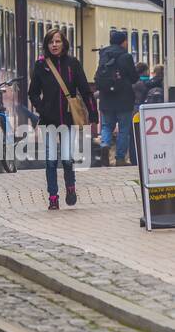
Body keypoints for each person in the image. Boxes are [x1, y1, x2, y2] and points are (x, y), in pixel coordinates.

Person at [29, 27, 97, 210]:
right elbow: (33, 93)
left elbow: (85, 90)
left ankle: (70, 187)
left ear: (64, 43)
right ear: (46, 45)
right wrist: (42, 108)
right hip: (48, 120)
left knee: (67, 158)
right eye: (51, 42)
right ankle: (53, 196)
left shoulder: (72, 64)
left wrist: (93, 114)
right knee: (51, 160)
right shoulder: (41, 66)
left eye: (57, 41)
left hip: (67, 119)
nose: (54, 45)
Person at [94, 29, 139, 166]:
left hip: (106, 98)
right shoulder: (126, 57)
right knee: (124, 129)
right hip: (124, 99)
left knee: (107, 126)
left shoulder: (104, 54)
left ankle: (104, 145)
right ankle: (120, 159)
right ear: (123, 42)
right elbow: (133, 78)